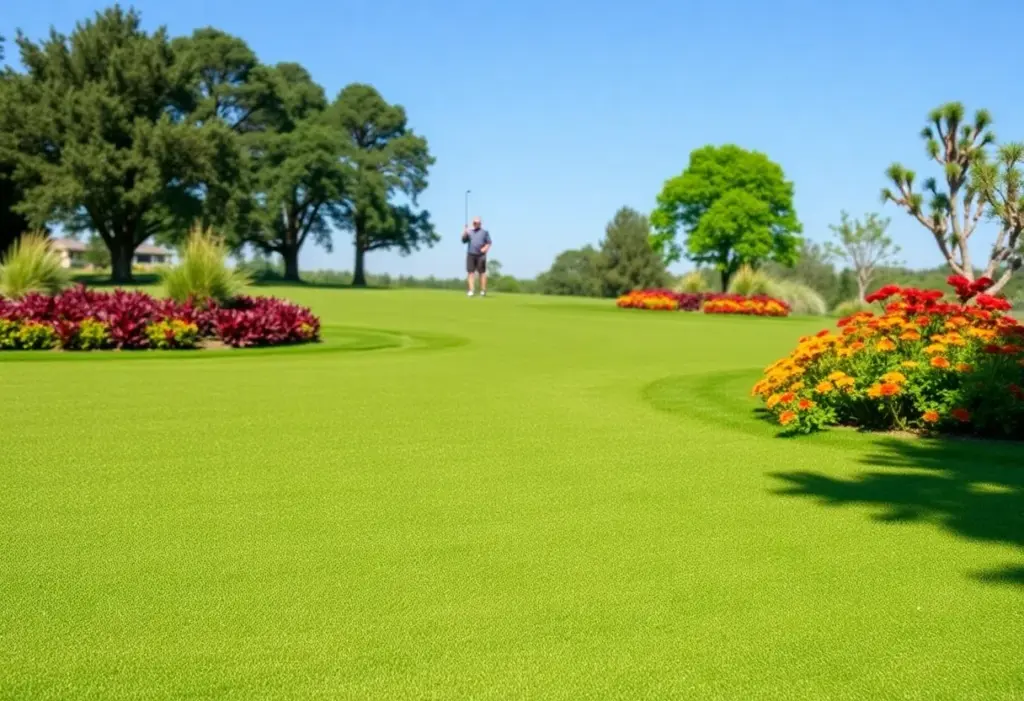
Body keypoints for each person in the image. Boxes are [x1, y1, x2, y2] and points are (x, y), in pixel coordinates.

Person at [461, 216, 492, 296]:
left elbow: (489, 242)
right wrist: (465, 232)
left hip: (481, 255)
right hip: (471, 254)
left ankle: (483, 290)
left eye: (477, 223)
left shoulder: (484, 232)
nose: (475, 224)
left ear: (480, 223)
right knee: (470, 272)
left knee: (482, 273)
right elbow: (463, 241)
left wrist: (485, 248)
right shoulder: (469, 232)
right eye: (474, 223)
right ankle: (471, 290)